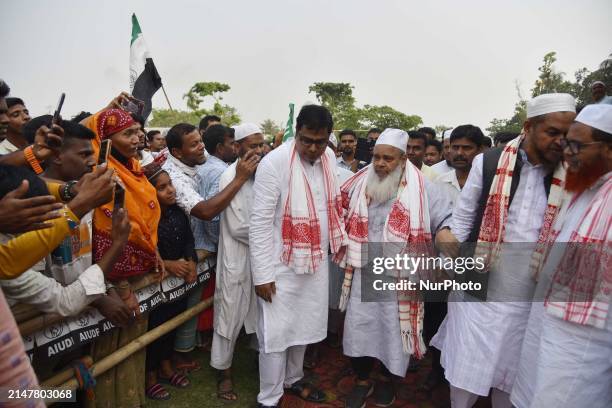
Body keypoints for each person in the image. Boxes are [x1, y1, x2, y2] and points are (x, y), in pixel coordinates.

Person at [432, 93, 576, 408]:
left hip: (532, 291)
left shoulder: (570, 168)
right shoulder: (490, 161)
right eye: (552, 132)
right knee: (467, 364)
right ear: (528, 127)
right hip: (480, 284)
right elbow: (465, 216)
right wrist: (450, 261)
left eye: (567, 133)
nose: (560, 141)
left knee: (516, 370)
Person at [337, 129, 452, 408]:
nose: (380, 164)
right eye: (376, 157)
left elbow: (444, 220)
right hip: (365, 269)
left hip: (401, 277)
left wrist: (447, 238)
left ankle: (389, 380)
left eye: (387, 158)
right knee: (359, 327)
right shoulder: (359, 182)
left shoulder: (425, 188)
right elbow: (339, 208)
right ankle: (363, 380)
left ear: (402, 159)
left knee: (393, 329)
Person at [511, 103, 612, 408]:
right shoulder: (584, 187)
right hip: (549, 323)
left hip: (587, 342)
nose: (567, 152)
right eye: (567, 142)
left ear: (609, 149)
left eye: (577, 145)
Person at [250, 104, 347, 407]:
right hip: (280, 264)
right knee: (276, 334)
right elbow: (261, 222)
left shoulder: (329, 158)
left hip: (314, 261)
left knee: (303, 326)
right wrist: (263, 274)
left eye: (320, 141)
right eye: (306, 140)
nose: (313, 148)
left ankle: (293, 379)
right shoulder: (274, 162)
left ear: (329, 137)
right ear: (297, 133)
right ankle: (269, 397)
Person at [161, 123, 258, 372]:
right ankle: (165, 362)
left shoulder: (196, 167)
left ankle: (177, 355)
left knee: (187, 306)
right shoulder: (175, 175)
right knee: (172, 311)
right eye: (194, 144)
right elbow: (205, 212)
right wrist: (239, 179)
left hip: (192, 248)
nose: (201, 146)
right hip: (176, 252)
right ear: (177, 152)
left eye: (200, 140)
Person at [84, 108, 162, 408]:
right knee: (110, 353)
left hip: (139, 273)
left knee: (133, 347)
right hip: (117, 284)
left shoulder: (134, 169)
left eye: (138, 131)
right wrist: (124, 289)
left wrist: (154, 251)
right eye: (127, 133)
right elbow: (108, 236)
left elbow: (142, 222)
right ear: (105, 138)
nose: (137, 137)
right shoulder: (105, 177)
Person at [211, 123, 264, 401]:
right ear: (237, 147)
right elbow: (238, 227)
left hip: (263, 258)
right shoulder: (229, 176)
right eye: (252, 145)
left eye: (261, 145)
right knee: (228, 315)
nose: (258, 150)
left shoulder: (265, 174)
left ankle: (262, 361)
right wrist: (273, 235)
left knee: (264, 311)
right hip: (237, 257)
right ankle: (224, 373)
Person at [142, 162, 196, 401]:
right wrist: (168, 263)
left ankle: (166, 367)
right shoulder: (146, 218)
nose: (171, 190)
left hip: (178, 285)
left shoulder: (178, 212)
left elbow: (188, 240)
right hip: (157, 287)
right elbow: (145, 251)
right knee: (156, 329)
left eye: (170, 184)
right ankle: (150, 377)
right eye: (162, 187)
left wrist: (191, 261)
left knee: (173, 325)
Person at [434, 125, 485, 207]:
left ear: (480, 150)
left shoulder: (489, 182)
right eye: (455, 147)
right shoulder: (440, 182)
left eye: (466, 148)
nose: (459, 153)